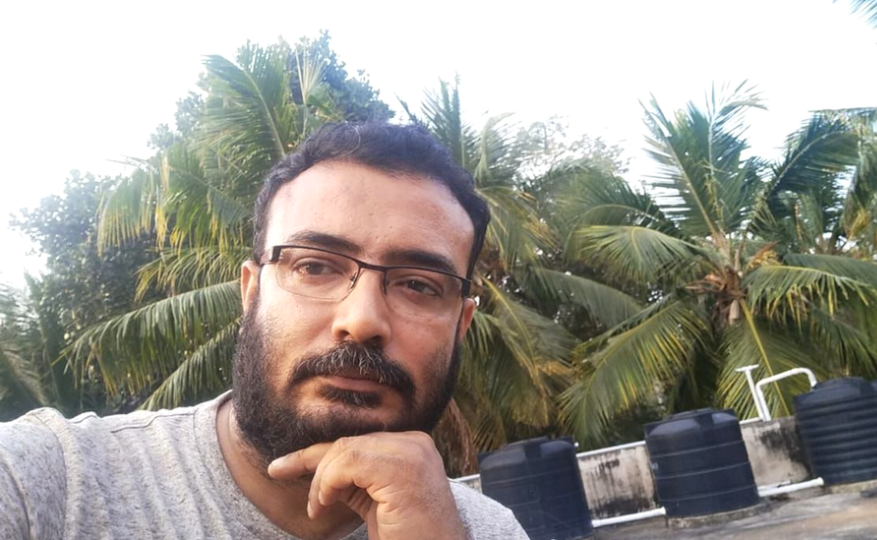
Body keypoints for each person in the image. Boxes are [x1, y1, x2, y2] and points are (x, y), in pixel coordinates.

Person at [0, 123, 530, 539]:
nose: (362, 320)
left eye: (418, 284)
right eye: (316, 266)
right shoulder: (47, 486)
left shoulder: (485, 532)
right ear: (251, 292)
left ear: (460, 324)